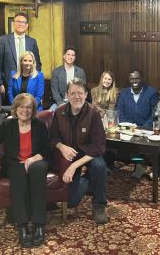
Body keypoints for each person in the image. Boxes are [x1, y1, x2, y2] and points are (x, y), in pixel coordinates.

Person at [0, 93, 51, 248]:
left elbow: (47, 150)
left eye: (29, 107)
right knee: (17, 174)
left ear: (33, 109)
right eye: (22, 106)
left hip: (37, 160)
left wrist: (32, 159)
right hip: (16, 162)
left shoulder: (39, 125)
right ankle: (22, 225)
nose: (25, 110)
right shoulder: (7, 125)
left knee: (37, 172)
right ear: (15, 109)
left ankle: (39, 225)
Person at [49, 78, 108, 224]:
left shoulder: (93, 113)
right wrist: (61, 147)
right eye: (73, 93)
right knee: (71, 202)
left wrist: (74, 166)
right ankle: (87, 179)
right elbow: (52, 138)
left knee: (100, 167)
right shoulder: (59, 112)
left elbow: (99, 146)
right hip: (69, 154)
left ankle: (99, 205)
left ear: (86, 94)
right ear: (67, 95)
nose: (77, 97)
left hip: (89, 154)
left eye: (80, 93)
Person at [0, 12, 42, 100]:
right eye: (18, 21)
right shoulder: (3, 40)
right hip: (9, 85)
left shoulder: (32, 42)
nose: (20, 24)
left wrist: (35, 82)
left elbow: (37, 64)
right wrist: (0, 84)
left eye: (23, 22)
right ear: (14, 24)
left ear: (27, 25)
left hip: (29, 85)